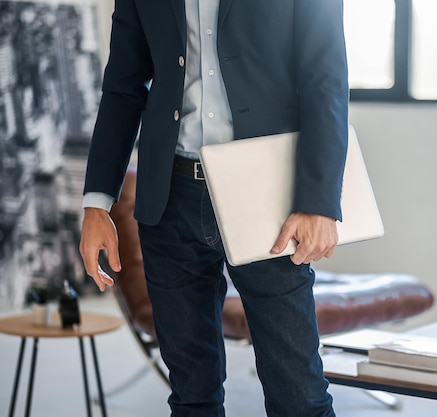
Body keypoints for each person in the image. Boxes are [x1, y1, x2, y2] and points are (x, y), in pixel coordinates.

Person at [79, 0, 349, 416]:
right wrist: (98, 204)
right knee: (191, 397)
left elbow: (325, 78)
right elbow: (122, 87)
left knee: (299, 396)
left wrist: (319, 203)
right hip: (169, 198)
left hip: (266, 198)